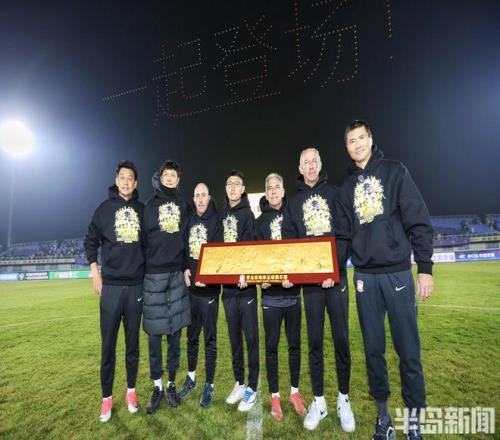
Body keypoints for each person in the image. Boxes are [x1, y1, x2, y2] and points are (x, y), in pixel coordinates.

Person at [335, 120, 434, 440]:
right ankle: (383, 417)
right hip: (365, 278)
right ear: (347, 148)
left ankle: (414, 422)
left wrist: (425, 268)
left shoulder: (395, 171)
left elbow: (418, 219)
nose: (357, 144)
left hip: (398, 275)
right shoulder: (345, 189)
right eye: (351, 141)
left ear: (371, 139)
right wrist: (330, 270)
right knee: (373, 351)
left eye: (361, 138)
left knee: (409, 351)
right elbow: (342, 238)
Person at [282, 148, 355, 432]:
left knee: (341, 340)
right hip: (311, 285)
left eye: (314, 161)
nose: (311, 166)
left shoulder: (335, 194)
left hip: (336, 281)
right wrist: (295, 272)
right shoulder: (293, 202)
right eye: (306, 162)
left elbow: (345, 233)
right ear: (300, 168)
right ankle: (320, 401)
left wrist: (333, 270)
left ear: (320, 164)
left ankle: (344, 399)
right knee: (314, 342)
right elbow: (289, 243)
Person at [84, 160, 144, 423]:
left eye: (130, 178)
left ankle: (131, 391)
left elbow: (150, 246)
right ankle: (106, 397)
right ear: (116, 180)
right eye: (122, 177)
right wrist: (95, 271)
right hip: (111, 288)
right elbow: (90, 240)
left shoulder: (142, 210)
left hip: (136, 287)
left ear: (135, 182)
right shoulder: (104, 209)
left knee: (133, 346)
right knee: (108, 346)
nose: (126, 181)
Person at [254, 173, 306, 421]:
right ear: (266, 192)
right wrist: (260, 278)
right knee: (272, 347)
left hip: (293, 293)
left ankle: (294, 392)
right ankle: (275, 395)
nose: (273, 191)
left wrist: (295, 276)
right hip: (270, 298)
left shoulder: (293, 215)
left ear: (283, 191)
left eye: (277, 187)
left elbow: (301, 251)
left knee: (294, 345)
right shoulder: (259, 223)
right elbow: (254, 256)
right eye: (269, 188)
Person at [142, 160, 191, 414]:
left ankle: (171, 384)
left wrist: (185, 267)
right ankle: (157, 387)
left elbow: (187, 238)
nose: (170, 178)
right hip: (153, 276)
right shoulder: (149, 206)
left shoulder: (184, 205)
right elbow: (142, 241)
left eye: (174, 174)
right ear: (160, 178)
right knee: (154, 336)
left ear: (178, 179)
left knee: (175, 336)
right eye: (166, 174)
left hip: (176, 276)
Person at [220, 169, 260, 412]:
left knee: (250, 338)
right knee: (234, 338)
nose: (233, 187)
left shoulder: (248, 215)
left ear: (243, 189)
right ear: (226, 189)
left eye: (237, 184)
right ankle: (239, 381)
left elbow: (251, 249)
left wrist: (246, 273)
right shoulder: (221, 215)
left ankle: (252, 387)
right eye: (229, 183)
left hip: (245, 288)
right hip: (227, 289)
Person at [179, 182, 221, 408]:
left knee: (210, 339)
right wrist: (185, 267)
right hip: (192, 291)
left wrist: (210, 276)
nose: (201, 199)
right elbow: (183, 248)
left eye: (204, 195)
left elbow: (220, 253)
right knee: (192, 337)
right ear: (193, 198)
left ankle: (209, 385)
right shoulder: (188, 219)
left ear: (209, 197)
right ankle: (191, 378)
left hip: (210, 291)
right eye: (197, 196)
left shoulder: (217, 220)